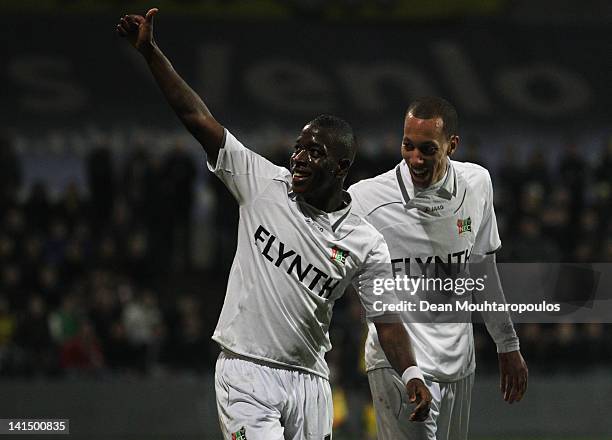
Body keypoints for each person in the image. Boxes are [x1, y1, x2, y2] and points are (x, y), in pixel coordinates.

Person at [116, 9, 431, 439]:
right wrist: (150, 53)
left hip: (311, 381)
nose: (299, 158)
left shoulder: (366, 242)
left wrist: (411, 372)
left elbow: (388, 321)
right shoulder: (262, 184)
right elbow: (197, 118)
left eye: (314, 152)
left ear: (340, 167)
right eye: (298, 148)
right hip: (245, 370)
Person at [348, 97, 528, 440]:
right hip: (397, 364)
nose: (415, 158)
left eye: (427, 149)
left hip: (459, 363)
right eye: (408, 145)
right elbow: (331, 260)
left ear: (452, 146)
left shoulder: (478, 184)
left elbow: (483, 270)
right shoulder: (366, 199)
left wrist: (507, 343)